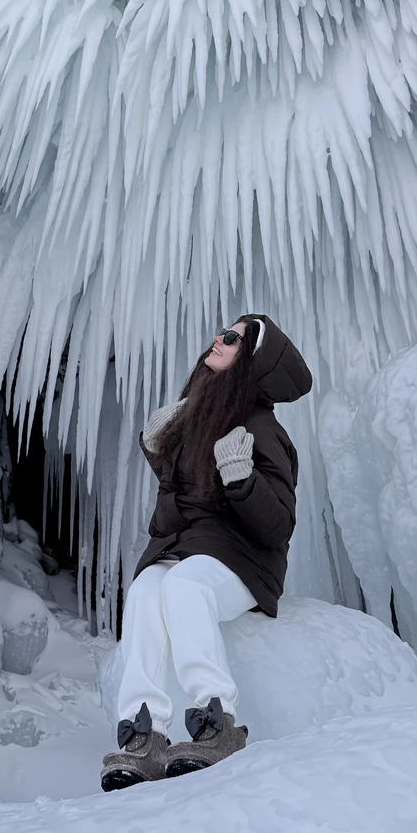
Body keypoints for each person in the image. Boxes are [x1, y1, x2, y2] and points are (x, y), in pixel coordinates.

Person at [101, 314, 312, 791]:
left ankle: (216, 723)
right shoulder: (191, 420)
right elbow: (164, 524)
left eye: (234, 337)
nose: (218, 339)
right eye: (221, 331)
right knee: (145, 589)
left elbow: (277, 526)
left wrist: (243, 480)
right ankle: (144, 734)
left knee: (183, 584)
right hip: (188, 551)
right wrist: (163, 459)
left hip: (243, 563)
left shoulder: (263, 429)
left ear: (250, 360)